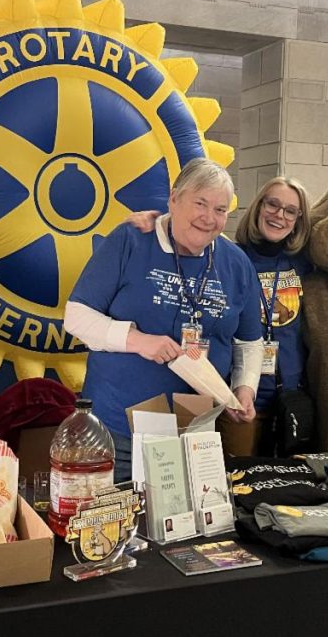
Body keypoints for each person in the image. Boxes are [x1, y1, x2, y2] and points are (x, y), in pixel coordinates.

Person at [64, 158, 264, 481]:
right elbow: (76, 316)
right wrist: (138, 341)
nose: (208, 218)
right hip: (120, 435)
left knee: (188, 531)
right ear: (173, 198)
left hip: (196, 435)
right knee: (116, 527)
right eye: (200, 203)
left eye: (220, 210)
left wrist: (244, 388)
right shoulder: (132, 240)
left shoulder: (236, 264)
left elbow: (249, 341)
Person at [125, 176, 314, 455]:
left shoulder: (303, 262)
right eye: (272, 204)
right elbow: (190, 218)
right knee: (238, 481)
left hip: (291, 396)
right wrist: (156, 217)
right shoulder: (230, 258)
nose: (279, 216)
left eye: (290, 211)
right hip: (239, 398)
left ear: (299, 219)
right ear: (258, 206)